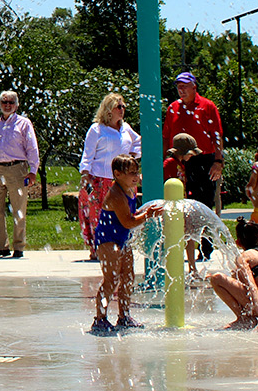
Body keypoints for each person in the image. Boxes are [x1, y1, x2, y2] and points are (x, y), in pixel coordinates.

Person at [90, 155, 162, 335]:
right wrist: (147, 215)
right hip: (108, 240)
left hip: (122, 239)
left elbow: (131, 215)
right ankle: (100, 319)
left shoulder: (130, 190)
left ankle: (124, 316)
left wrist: (142, 212)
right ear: (117, 174)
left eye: (137, 172)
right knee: (111, 279)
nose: (136, 176)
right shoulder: (116, 194)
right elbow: (128, 222)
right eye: (131, 173)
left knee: (128, 277)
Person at [78, 92, 142, 262]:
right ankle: (98, 249)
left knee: (124, 214)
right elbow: (88, 153)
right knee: (97, 216)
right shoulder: (97, 129)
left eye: (123, 107)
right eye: (118, 107)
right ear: (108, 110)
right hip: (100, 178)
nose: (122, 110)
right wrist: (85, 174)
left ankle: (121, 246)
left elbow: (139, 142)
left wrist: (132, 157)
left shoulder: (126, 128)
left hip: (123, 180)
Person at [0, 90, 40, 258]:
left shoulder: (24, 123)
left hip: (17, 169)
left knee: (18, 208)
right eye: (4, 102)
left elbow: (32, 148)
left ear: (17, 105)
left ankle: (18, 247)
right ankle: (0, 247)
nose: (7, 105)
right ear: (0, 105)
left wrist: (33, 171)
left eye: (11, 102)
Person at [162, 71, 225, 213]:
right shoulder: (173, 108)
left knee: (203, 204)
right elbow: (166, 136)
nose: (181, 90)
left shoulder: (207, 106)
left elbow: (217, 136)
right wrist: (163, 160)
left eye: (185, 86)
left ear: (194, 87)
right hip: (178, 160)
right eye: (179, 87)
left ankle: (203, 234)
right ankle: (181, 233)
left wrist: (218, 161)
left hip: (203, 160)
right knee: (178, 201)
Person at [164, 133, 202, 275]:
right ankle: (175, 268)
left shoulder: (180, 164)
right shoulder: (170, 164)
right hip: (173, 206)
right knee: (178, 237)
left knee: (189, 235)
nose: (192, 156)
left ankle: (192, 268)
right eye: (191, 153)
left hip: (181, 204)